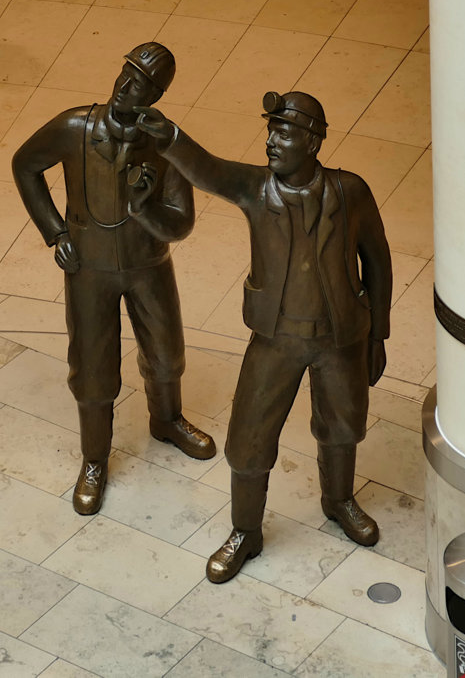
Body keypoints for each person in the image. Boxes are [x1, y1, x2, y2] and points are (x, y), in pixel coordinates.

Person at [134, 91, 392, 583]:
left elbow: (377, 261)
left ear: (312, 142)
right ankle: (245, 531)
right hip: (276, 339)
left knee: (343, 427)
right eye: (271, 130)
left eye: (285, 133)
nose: (272, 141)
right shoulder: (256, 188)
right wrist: (169, 137)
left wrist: (378, 335)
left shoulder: (350, 192)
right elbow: (208, 170)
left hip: (340, 338)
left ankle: (339, 500)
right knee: (249, 440)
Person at [11, 42, 216, 516]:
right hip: (90, 269)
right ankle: (94, 459)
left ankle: (166, 419)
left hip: (149, 266)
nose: (125, 86)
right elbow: (25, 165)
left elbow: (181, 222)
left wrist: (145, 210)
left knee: (166, 354)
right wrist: (55, 232)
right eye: (125, 74)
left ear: (155, 96)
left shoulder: (164, 142)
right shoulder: (74, 128)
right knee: (92, 367)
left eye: (140, 84)